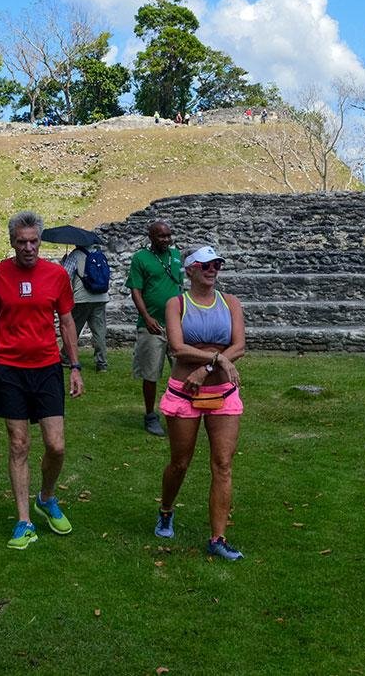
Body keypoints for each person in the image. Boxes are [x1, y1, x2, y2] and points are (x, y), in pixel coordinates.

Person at [0, 211, 84, 550]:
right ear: (12, 242)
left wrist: (75, 366)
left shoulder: (56, 275)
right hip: (9, 369)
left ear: (40, 241)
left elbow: (67, 321)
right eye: (21, 242)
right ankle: (23, 521)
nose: (28, 248)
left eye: (33, 241)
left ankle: (46, 498)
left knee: (56, 445)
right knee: (19, 444)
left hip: (47, 367)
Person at [154, 245, 247, 561]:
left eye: (216, 265)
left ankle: (218, 538)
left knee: (223, 464)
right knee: (180, 462)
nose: (212, 270)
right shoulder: (176, 304)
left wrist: (207, 367)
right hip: (185, 392)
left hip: (223, 393)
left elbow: (239, 345)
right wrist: (218, 359)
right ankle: (166, 509)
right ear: (191, 269)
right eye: (206, 265)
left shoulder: (231, 302)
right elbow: (178, 347)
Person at [126, 220, 183, 437]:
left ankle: (180, 411)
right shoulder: (140, 258)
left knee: (182, 369)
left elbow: (179, 286)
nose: (166, 239)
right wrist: (147, 317)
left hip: (176, 324)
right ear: (151, 237)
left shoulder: (175, 255)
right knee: (150, 373)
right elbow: (136, 290)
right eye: (161, 236)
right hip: (152, 325)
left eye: (168, 235)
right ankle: (150, 415)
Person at [62, 245, 109, 372]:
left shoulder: (76, 255)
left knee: (73, 328)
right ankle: (102, 363)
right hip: (101, 297)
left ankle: (65, 356)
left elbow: (64, 275)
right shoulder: (99, 254)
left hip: (82, 298)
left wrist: (64, 262)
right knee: (99, 331)